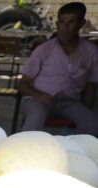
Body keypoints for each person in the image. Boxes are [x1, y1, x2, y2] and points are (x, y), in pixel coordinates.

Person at [17, 2, 98, 136]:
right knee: (35, 117)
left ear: (81, 24)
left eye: (71, 22)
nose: (65, 28)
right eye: (61, 22)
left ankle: (76, 154)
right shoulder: (44, 49)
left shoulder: (91, 52)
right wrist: (40, 95)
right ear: (57, 24)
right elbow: (21, 84)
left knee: (92, 125)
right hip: (37, 99)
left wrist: (85, 111)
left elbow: (90, 86)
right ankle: (20, 151)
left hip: (70, 102)